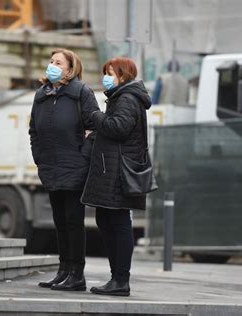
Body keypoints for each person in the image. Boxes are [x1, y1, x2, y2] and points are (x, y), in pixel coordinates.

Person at [81, 57, 152, 296]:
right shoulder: (121, 98)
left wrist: (95, 116)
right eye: (105, 72)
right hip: (111, 171)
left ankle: (121, 280)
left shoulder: (128, 99)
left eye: (110, 73)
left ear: (123, 75)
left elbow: (118, 128)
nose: (106, 77)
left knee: (118, 224)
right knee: (106, 221)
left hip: (118, 173)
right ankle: (116, 278)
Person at [29, 48, 99, 291]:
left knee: (73, 222)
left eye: (58, 62)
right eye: (51, 61)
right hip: (50, 167)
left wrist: (83, 158)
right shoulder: (41, 95)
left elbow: (95, 129)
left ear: (70, 70)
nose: (52, 65)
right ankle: (63, 271)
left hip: (74, 167)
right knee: (59, 221)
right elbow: (33, 131)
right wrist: (39, 158)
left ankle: (77, 274)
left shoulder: (81, 93)